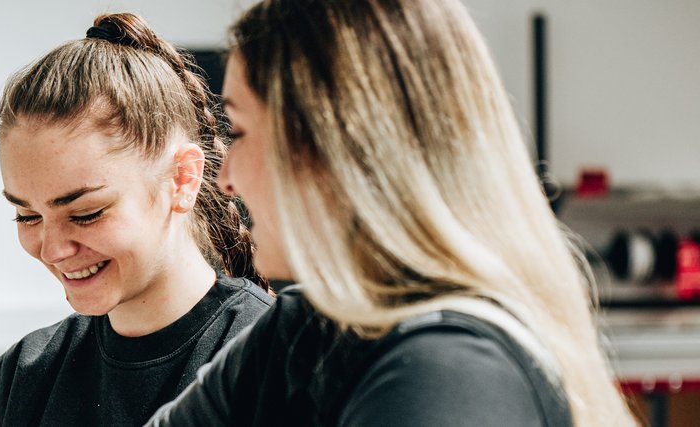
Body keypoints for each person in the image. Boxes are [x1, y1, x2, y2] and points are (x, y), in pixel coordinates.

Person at [146, 0, 637, 426]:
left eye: (242, 131)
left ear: (334, 150)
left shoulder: (449, 372)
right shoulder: (303, 331)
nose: (226, 177)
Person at [0, 13, 275, 427]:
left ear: (183, 178)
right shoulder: (16, 385)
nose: (52, 249)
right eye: (27, 215)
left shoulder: (277, 361)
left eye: (86, 214)